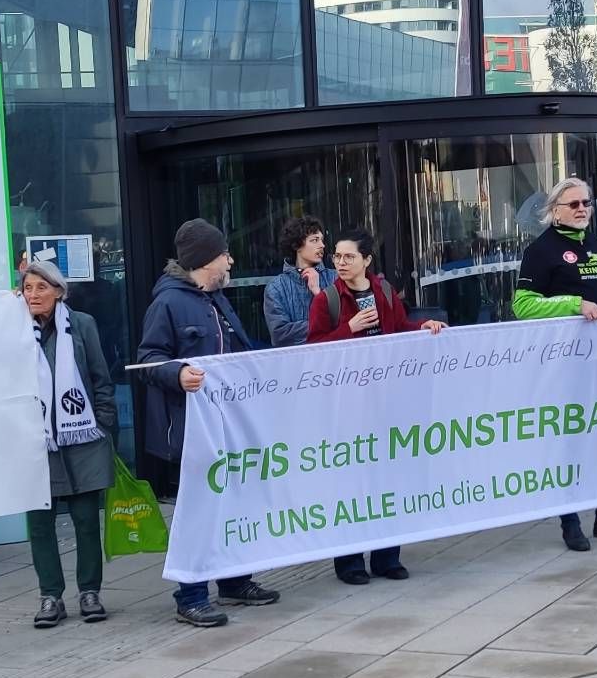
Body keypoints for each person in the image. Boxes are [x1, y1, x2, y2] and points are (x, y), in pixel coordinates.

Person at [136, 218, 281, 625]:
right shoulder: (167, 303)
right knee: (199, 512)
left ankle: (234, 581)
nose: (231, 260)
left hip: (226, 426)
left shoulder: (214, 297)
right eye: (224, 254)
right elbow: (147, 360)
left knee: (235, 503)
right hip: (191, 431)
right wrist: (177, 373)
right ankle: (192, 594)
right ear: (205, 261)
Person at [512, 177, 597, 552]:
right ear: (555, 210)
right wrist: (573, 304)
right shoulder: (541, 250)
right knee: (570, 441)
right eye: (573, 204)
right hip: (565, 363)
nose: (582, 208)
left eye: (586, 202)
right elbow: (523, 306)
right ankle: (570, 521)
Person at [308, 230, 446, 584]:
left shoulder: (383, 291)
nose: (340, 263)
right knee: (351, 483)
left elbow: (398, 329)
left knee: (389, 479)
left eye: (348, 257)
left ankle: (387, 557)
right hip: (347, 407)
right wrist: (349, 329)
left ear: (367, 260)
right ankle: (350, 562)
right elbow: (312, 352)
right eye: (337, 257)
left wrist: (422, 327)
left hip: (387, 402)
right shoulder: (327, 301)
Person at [21, 259, 117, 626]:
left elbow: (100, 378)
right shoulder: (13, 329)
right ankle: (50, 596)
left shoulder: (81, 325)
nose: (34, 295)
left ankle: (89, 591)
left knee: (85, 519)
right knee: (40, 523)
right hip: (35, 442)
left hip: (82, 437)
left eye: (41, 288)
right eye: (28, 288)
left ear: (59, 291)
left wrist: (105, 426)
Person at [264, 215, 337, 347]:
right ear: (296, 245)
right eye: (315, 240)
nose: (322, 245)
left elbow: (346, 321)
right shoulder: (276, 287)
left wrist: (319, 293)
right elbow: (280, 335)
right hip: (295, 363)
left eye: (322, 240)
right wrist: (325, 324)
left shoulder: (335, 278)